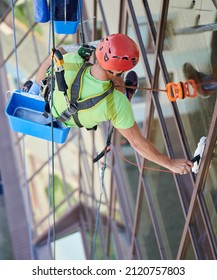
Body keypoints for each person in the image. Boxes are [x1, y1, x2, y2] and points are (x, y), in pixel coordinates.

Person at [25, 33, 193, 175]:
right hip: (82, 113)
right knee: (117, 90)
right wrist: (169, 163)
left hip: (55, 107)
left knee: (59, 53)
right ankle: (125, 91)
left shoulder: (71, 60)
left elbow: (54, 57)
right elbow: (137, 142)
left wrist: (36, 85)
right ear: (118, 71)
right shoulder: (117, 103)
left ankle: (115, 80)